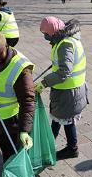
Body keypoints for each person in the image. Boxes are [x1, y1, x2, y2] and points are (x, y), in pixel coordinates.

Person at [35, 17, 88, 160]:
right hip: (68, 90)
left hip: (69, 91)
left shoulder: (65, 44)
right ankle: (49, 143)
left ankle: (72, 149)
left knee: (67, 120)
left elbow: (65, 71)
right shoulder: (65, 40)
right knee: (59, 117)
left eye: (46, 33)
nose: (45, 36)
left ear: (53, 32)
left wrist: (44, 83)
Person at [0, 32, 35, 162]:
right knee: (5, 148)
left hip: (14, 119)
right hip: (0, 115)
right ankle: (8, 170)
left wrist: (24, 130)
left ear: (6, 46)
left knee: (13, 153)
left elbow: (28, 101)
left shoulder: (21, 69)